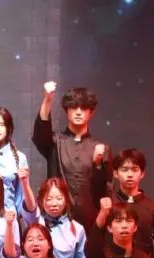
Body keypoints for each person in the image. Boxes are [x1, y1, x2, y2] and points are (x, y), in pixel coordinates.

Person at [31, 81, 110, 234]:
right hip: (57, 221)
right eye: (74, 107)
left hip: (90, 224)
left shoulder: (101, 148)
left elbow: (104, 193)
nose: (78, 112)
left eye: (84, 108)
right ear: (67, 111)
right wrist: (47, 99)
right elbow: (40, 133)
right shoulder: (55, 142)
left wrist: (98, 164)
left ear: (91, 113)